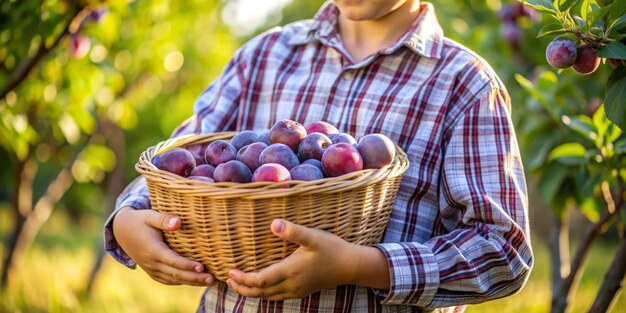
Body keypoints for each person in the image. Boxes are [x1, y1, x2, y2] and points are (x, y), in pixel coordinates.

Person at [105, 0, 534, 312]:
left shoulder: (464, 84)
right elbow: (177, 162)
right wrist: (127, 218)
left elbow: (504, 250)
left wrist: (362, 265)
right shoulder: (265, 56)